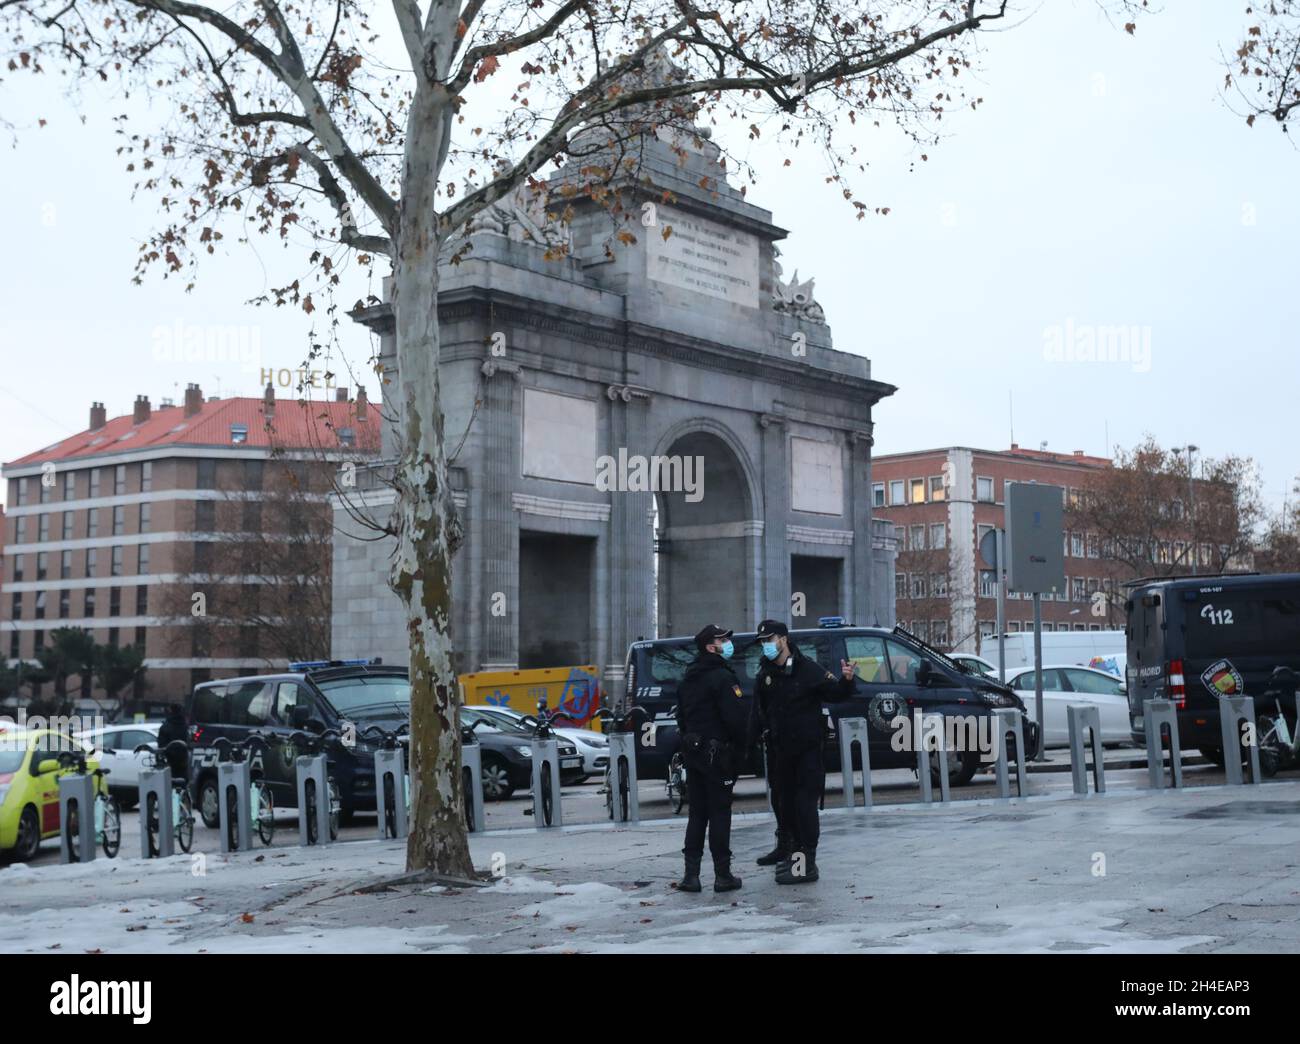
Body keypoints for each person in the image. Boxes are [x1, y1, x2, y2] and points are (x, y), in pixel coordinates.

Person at [752, 619, 856, 884]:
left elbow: (836, 694)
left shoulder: (807, 669)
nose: (766, 645)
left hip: (807, 752)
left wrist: (846, 681)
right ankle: (792, 855)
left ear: (784, 639)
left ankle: (807, 863)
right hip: (780, 752)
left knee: (804, 806)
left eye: (770, 639)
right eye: (763, 641)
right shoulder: (765, 674)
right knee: (784, 805)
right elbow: (758, 712)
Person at [674, 623, 749, 894]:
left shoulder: (688, 678)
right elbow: (737, 719)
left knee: (697, 814)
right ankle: (722, 874)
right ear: (710, 647)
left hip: (693, 753)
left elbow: (681, 718)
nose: (727, 643)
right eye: (722, 640)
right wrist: (742, 748)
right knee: (719, 814)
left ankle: (690, 876)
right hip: (719, 755)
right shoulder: (722, 677)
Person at [156, 703, 190, 781]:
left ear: (170, 711)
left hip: (170, 760)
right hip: (184, 759)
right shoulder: (185, 726)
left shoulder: (165, 726)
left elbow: (161, 744)